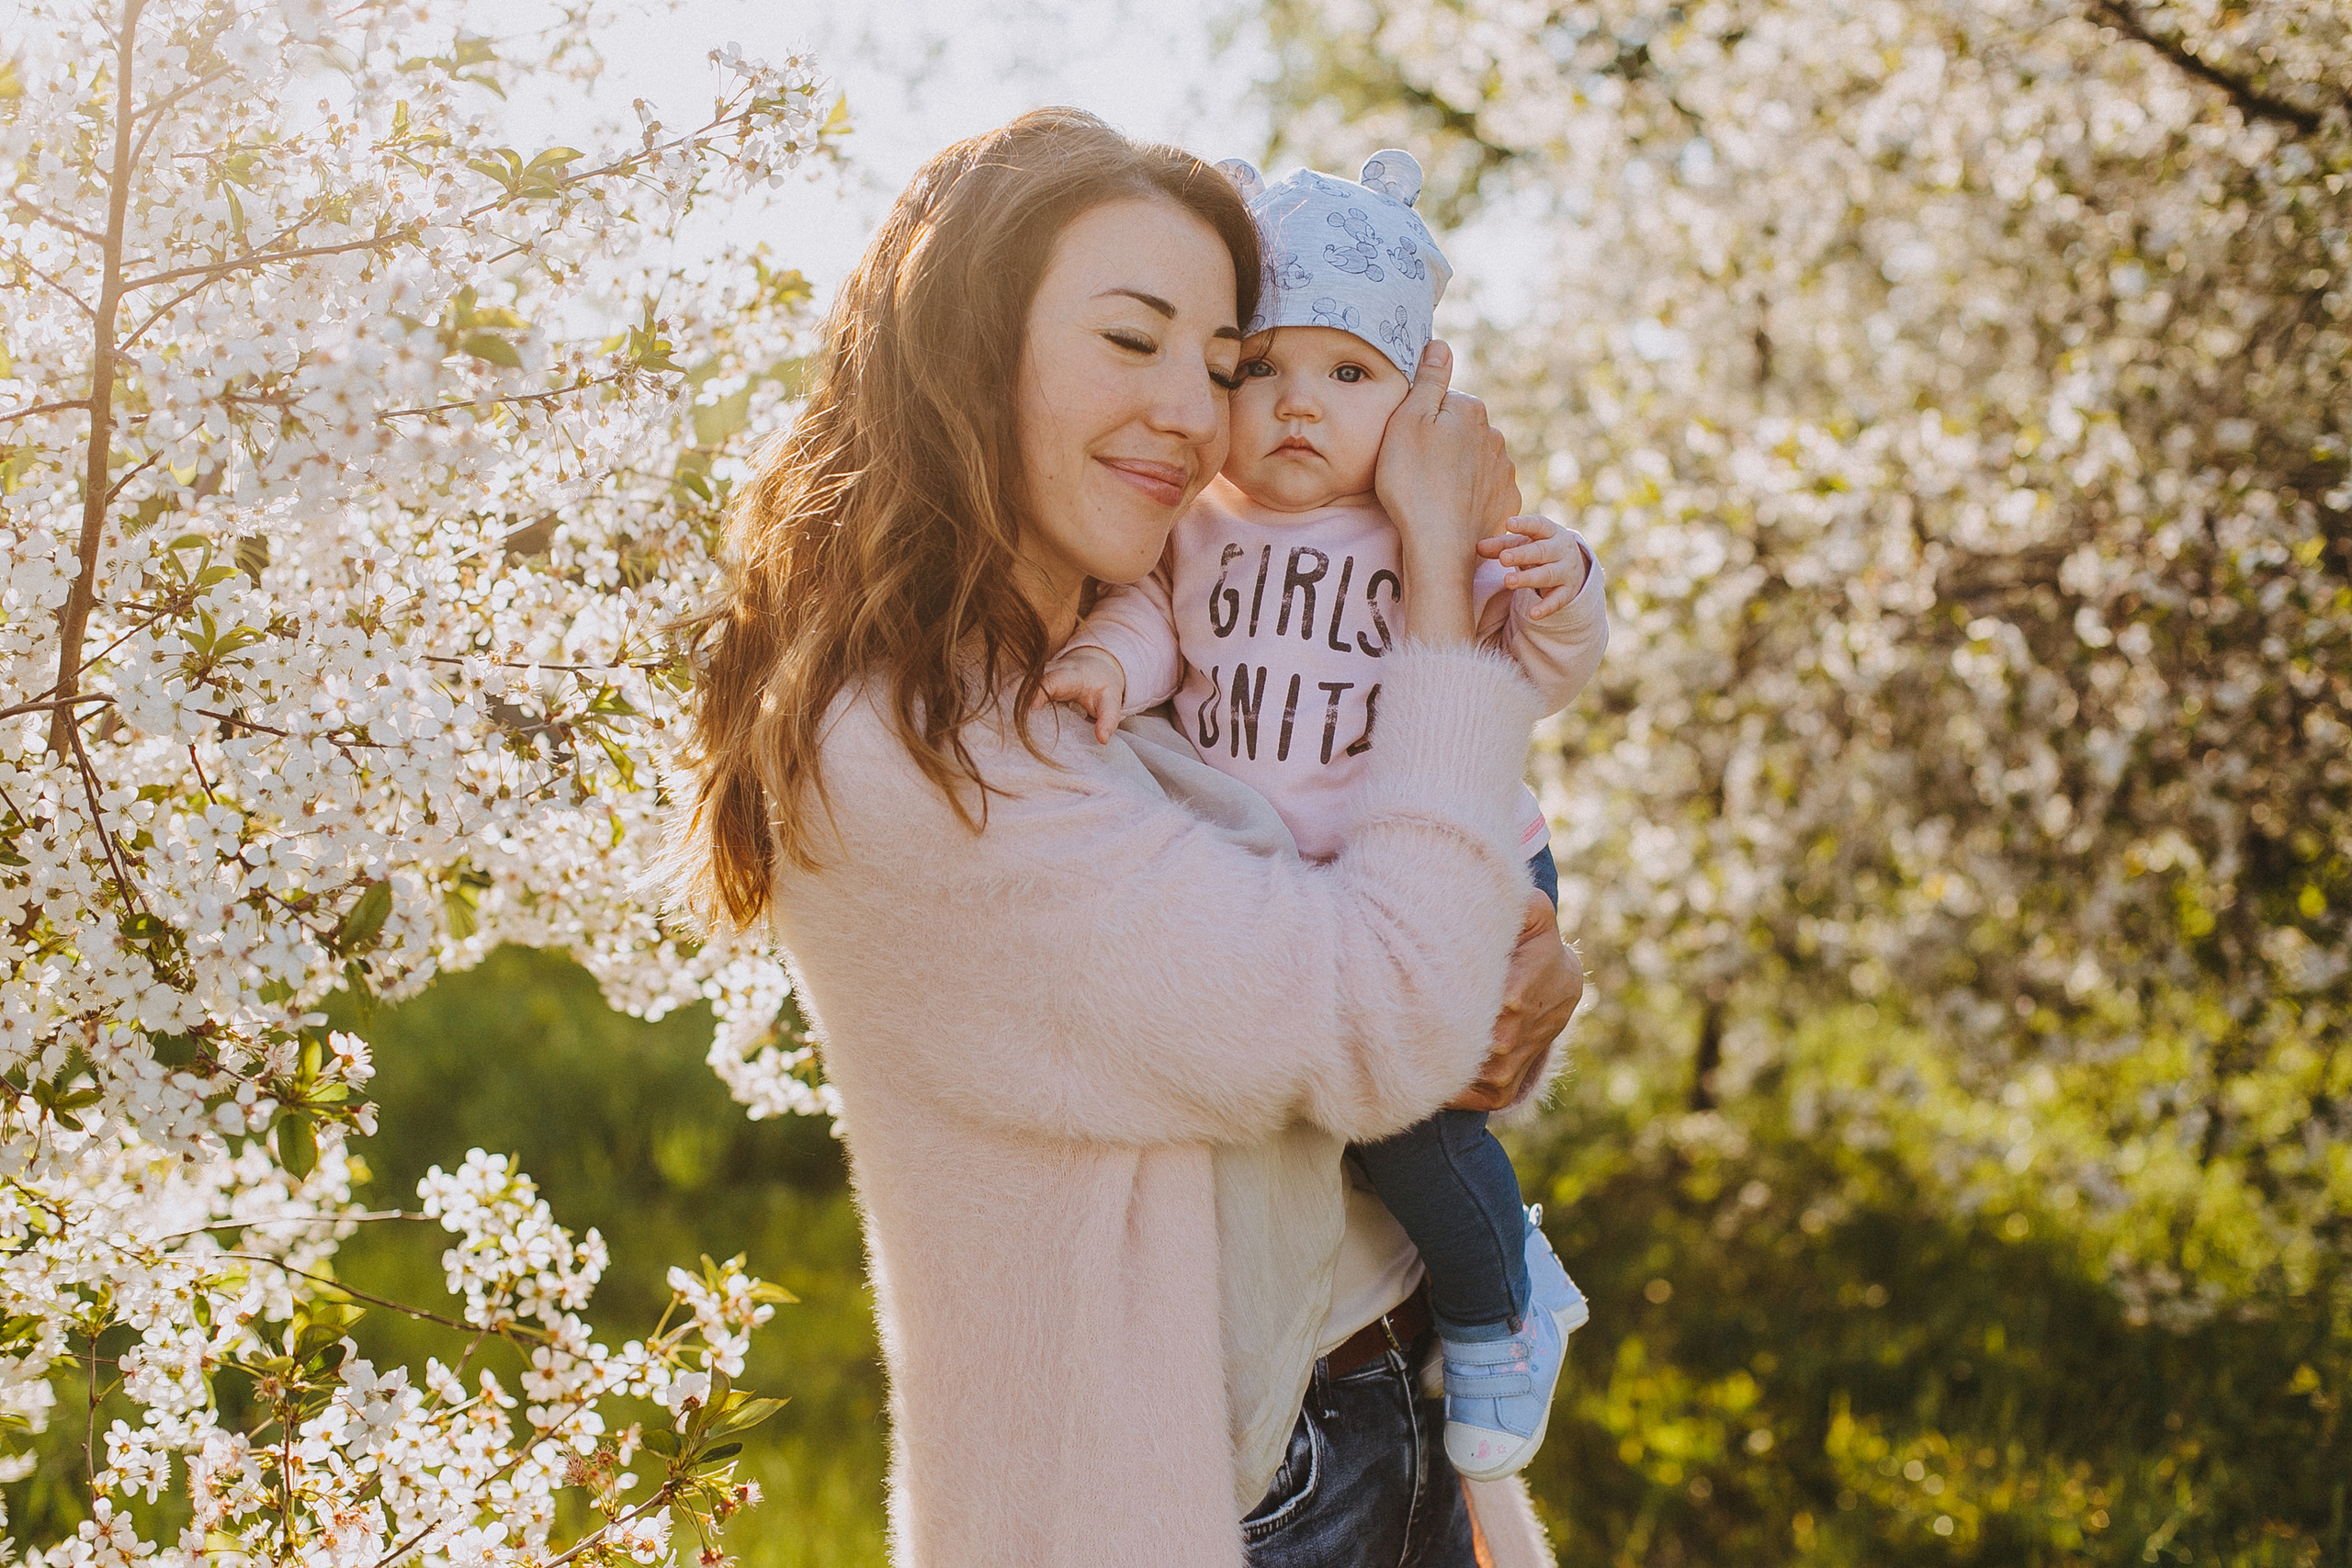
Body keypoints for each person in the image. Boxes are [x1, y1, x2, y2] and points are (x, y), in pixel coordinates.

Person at [668, 108, 1584, 1568]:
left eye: (1223, 363)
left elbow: (1365, 899)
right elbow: (1388, 1019)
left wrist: (1530, 955)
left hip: (1381, 1393)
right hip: (1225, 1497)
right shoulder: (912, 754)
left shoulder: (1115, 642)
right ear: (969, 350)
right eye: (1131, 340)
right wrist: (1427, 571)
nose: (1193, 411)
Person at [1042, 148, 1607, 1483]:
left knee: (1411, 1114)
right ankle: (1496, 1279)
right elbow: (1149, 633)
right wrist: (1104, 672)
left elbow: (1542, 665)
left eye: (1348, 377)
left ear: (1414, 397)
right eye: (1263, 373)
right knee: (1371, 1104)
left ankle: (1496, 1307)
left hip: (1459, 858)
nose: (1299, 409)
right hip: (1319, 890)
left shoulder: (1431, 537)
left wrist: (1559, 575)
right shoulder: (1196, 530)